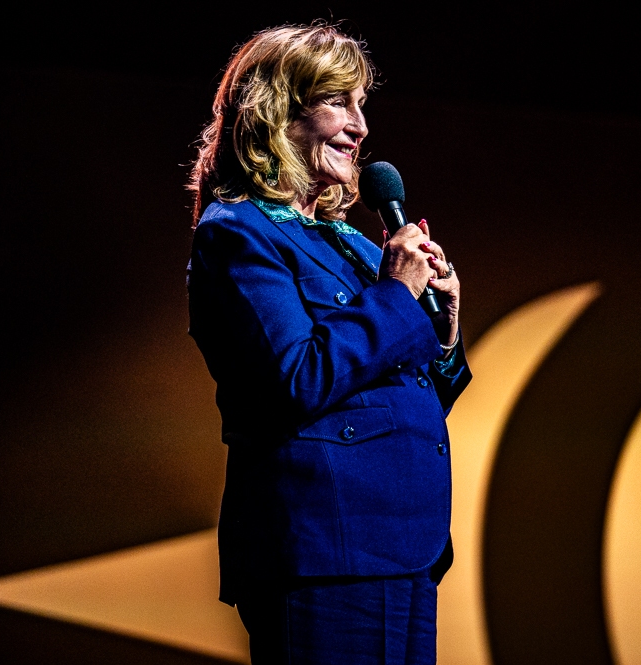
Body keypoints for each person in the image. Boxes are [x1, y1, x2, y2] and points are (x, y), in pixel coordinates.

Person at [186, 23, 471, 664]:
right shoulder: (238, 234)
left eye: (362, 104)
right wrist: (397, 298)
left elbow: (401, 397)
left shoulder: (349, 242)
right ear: (276, 111)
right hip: (328, 551)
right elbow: (296, 378)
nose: (361, 126)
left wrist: (443, 329)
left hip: (403, 551)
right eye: (339, 101)